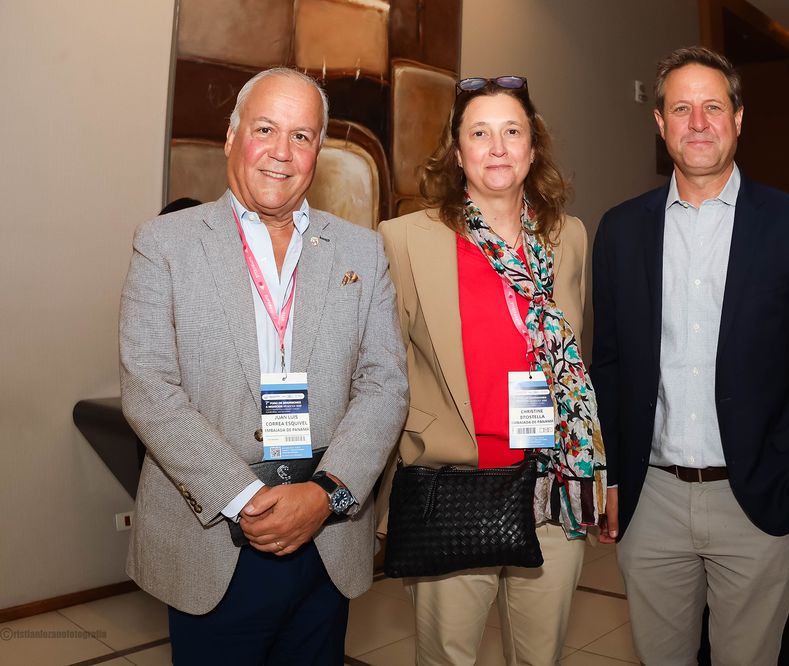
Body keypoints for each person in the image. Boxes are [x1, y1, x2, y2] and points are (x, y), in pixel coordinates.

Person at [119, 67, 408, 663]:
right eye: (266, 129)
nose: (282, 152)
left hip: (327, 541)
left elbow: (384, 384)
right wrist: (247, 497)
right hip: (213, 540)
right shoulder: (164, 243)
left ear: (318, 152)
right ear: (232, 137)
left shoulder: (361, 250)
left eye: (301, 136)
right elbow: (150, 389)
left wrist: (325, 494)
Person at [590, 46, 789, 664]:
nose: (698, 122)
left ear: (739, 119)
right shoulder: (622, 230)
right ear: (660, 124)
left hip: (757, 496)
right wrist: (613, 475)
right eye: (682, 108)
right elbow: (610, 363)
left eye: (713, 106)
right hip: (651, 500)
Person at [377, 75, 606, 665]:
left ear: (534, 149)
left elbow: (578, 356)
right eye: (479, 133)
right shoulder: (404, 240)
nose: (497, 146)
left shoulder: (569, 236)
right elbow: (382, 370)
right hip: (454, 486)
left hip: (553, 485)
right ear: (457, 153)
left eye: (512, 131)